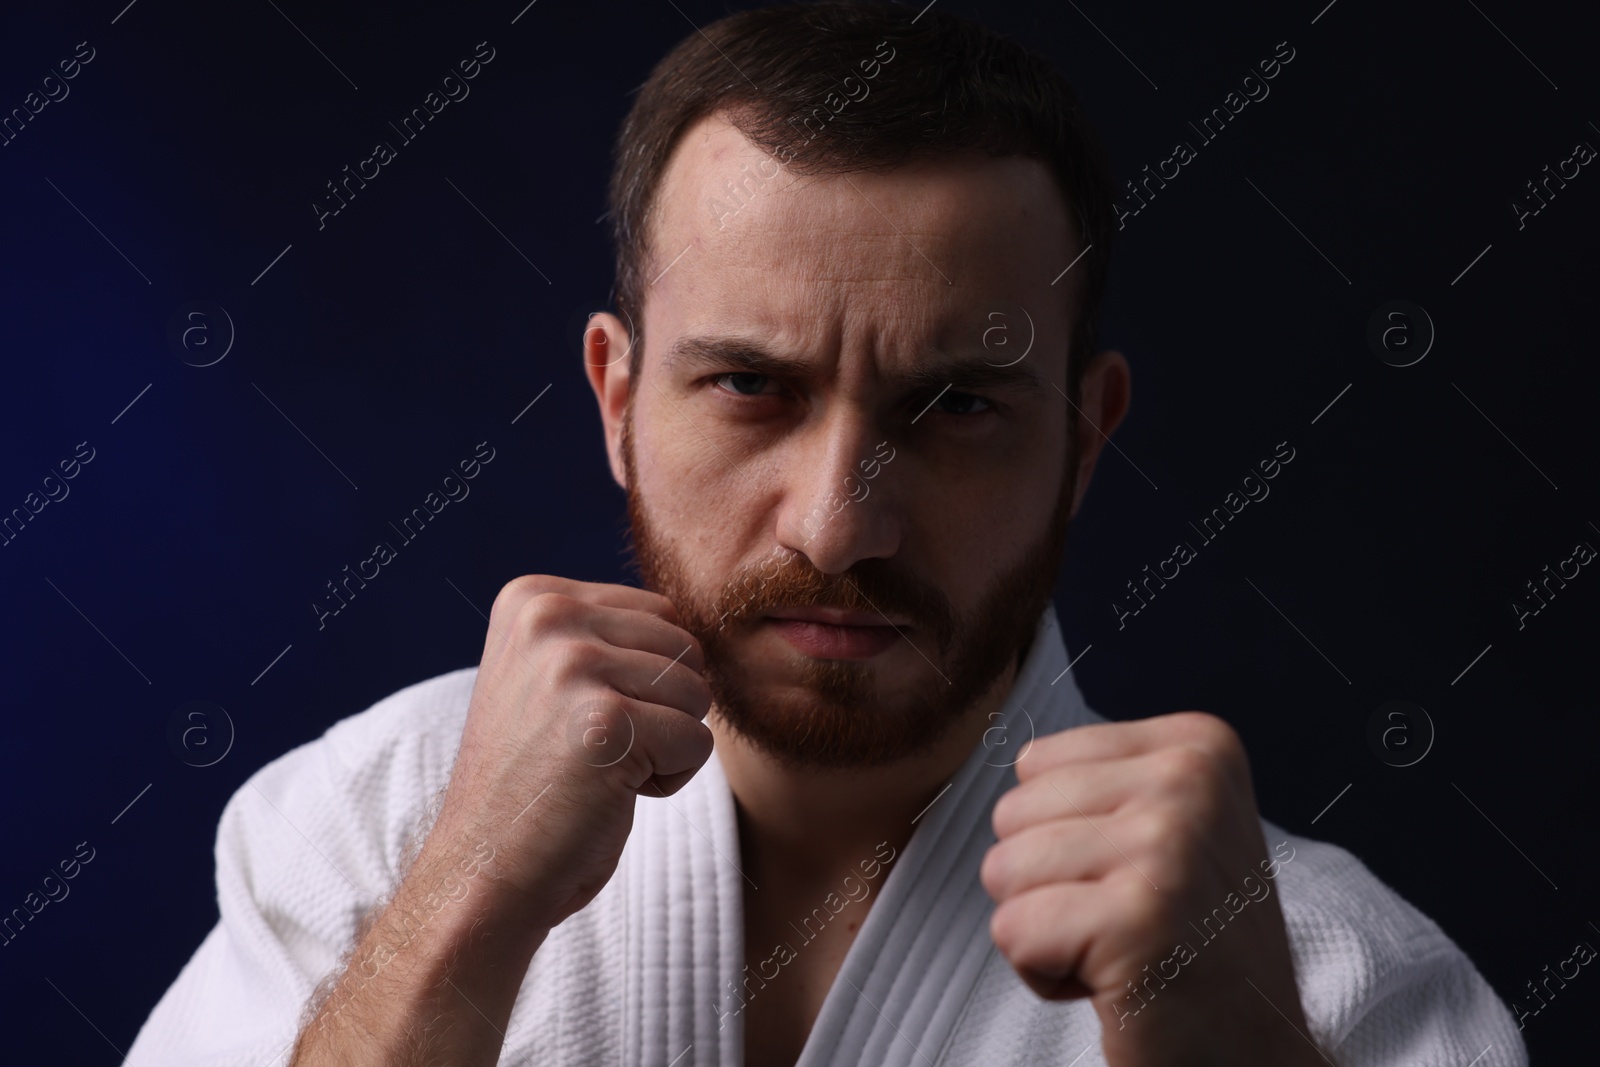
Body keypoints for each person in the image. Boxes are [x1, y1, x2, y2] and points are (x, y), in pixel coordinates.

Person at [127, 2, 1526, 1064]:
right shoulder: (374, 833)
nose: (841, 522)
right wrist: (462, 913)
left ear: (1084, 437)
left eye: (959, 406)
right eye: (750, 387)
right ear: (618, 399)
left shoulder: (1332, 978)